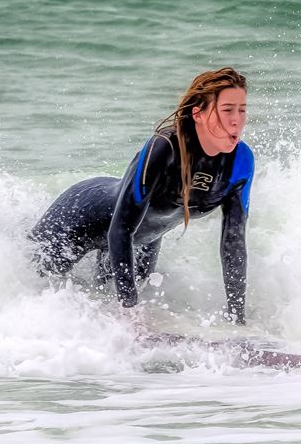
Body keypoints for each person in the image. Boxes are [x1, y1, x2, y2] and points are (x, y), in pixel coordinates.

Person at [29, 68, 253, 323]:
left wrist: (238, 320)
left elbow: (233, 245)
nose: (237, 119)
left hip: (144, 238)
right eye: (227, 110)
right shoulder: (165, 147)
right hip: (81, 217)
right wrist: (130, 310)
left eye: (242, 110)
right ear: (198, 113)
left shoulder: (241, 162)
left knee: (106, 303)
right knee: (37, 287)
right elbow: (120, 227)